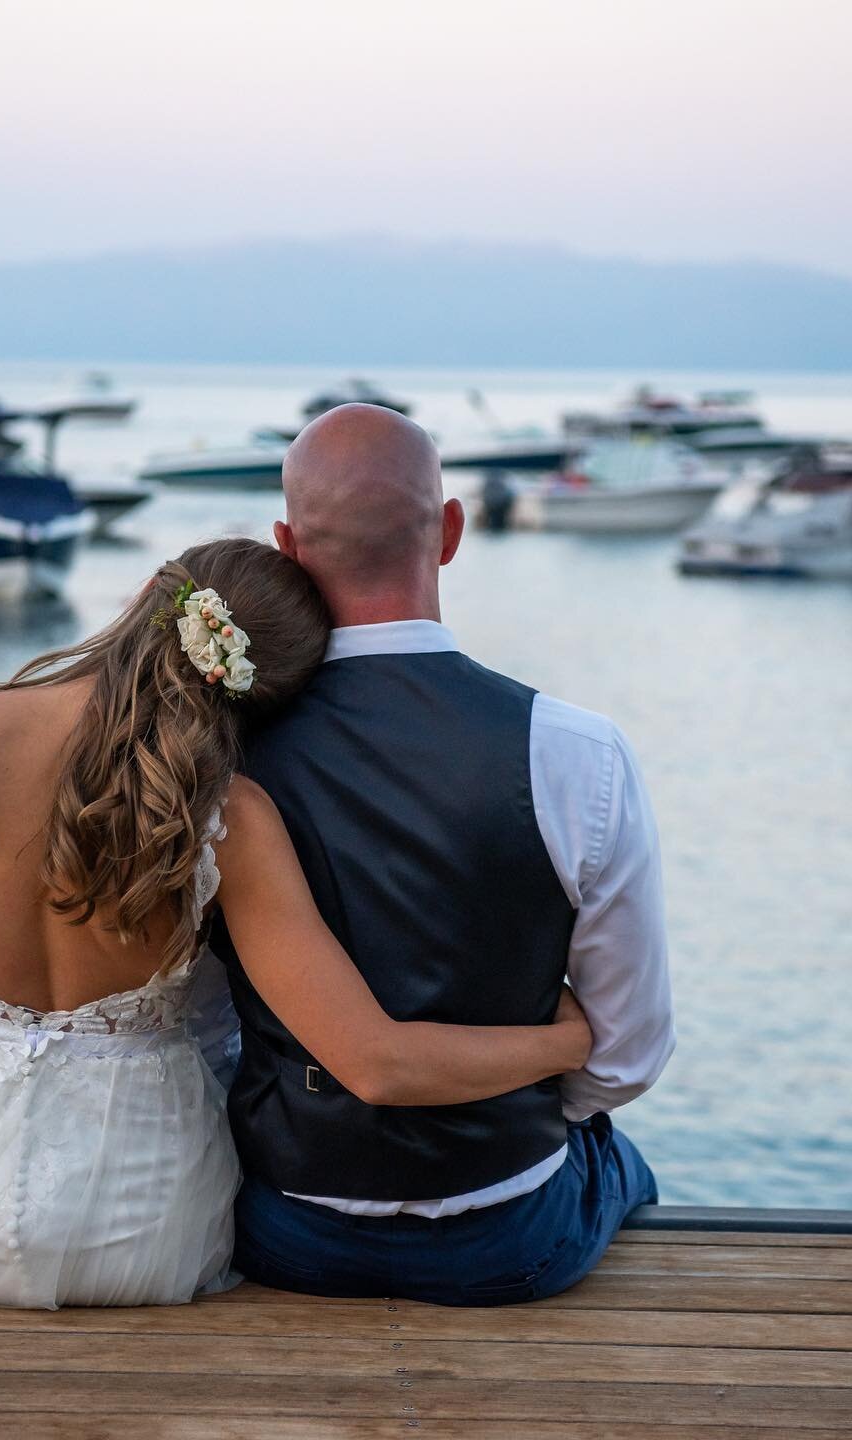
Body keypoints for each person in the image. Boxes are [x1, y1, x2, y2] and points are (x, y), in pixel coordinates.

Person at [0, 537, 595, 1309]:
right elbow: (375, 1065)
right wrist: (566, 1042)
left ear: (146, 596)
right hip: (138, 1231)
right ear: (259, 695)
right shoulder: (223, 816)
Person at [215, 404, 674, 1307]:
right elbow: (628, 1057)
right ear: (451, 531)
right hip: (506, 1236)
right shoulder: (575, 749)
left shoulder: (221, 753)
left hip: (283, 1226)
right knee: (625, 1165)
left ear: (288, 544)